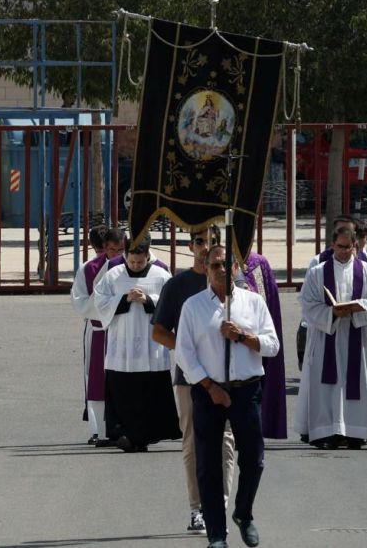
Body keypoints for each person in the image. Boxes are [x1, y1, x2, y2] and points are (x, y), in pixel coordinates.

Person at [175, 245, 279, 548]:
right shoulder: (193, 306)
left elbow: (272, 345)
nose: (221, 269)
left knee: (254, 459)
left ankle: (244, 513)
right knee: (208, 465)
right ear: (206, 268)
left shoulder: (253, 302)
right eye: (215, 265)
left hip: (246, 389)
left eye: (226, 264)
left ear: (236, 268)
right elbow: (184, 353)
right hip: (209, 391)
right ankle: (216, 535)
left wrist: (243, 337)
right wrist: (210, 387)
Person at [152, 225, 236, 534]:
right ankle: (197, 508)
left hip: (226, 378)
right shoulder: (177, 285)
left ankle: (220, 507)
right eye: (200, 241)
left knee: (226, 441)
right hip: (189, 379)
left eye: (213, 242)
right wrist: (187, 350)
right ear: (191, 246)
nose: (206, 247)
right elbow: (159, 331)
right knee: (193, 442)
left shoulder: (230, 284)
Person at [295, 227, 367, 450]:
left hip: (359, 336)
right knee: (329, 384)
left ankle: (358, 432)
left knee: (357, 381)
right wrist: (331, 313)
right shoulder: (317, 272)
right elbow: (308, 305)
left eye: (349, 247)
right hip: (327, 336)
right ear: (332, 246)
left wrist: (359, 307)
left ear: (355, 247)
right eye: (340, 247)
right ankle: (326, 431)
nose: (344, 252)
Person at [94, 236, 180, 453]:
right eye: (131, 262)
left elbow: (172, 304)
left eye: (139, 262)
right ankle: (125, 434)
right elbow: (100, 302)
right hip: (121, 347)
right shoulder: (114, 275)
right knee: (123, 390)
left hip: (151, 347)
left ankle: (145, 436)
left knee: (149, 391)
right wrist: (123, 299)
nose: (135, 266)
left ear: (147, 256)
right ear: (126, 256)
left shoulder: (161, 275)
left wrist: (149, 300)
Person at [70, 226, 125, 446]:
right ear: (105, 248)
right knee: (96, 380)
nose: (117, 255)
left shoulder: (134, 265)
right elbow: (80, 303)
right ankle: (99, 430)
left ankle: (125, 425)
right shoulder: (89, 268)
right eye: (112, 250)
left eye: (121, 250)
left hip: (126, 332)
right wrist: (106, 306)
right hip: (100, 331)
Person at [238, 252, 288, 439]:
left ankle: (255, 427)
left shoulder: (257, 263)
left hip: (251, 337)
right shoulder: (216, 260)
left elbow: (268, 303)